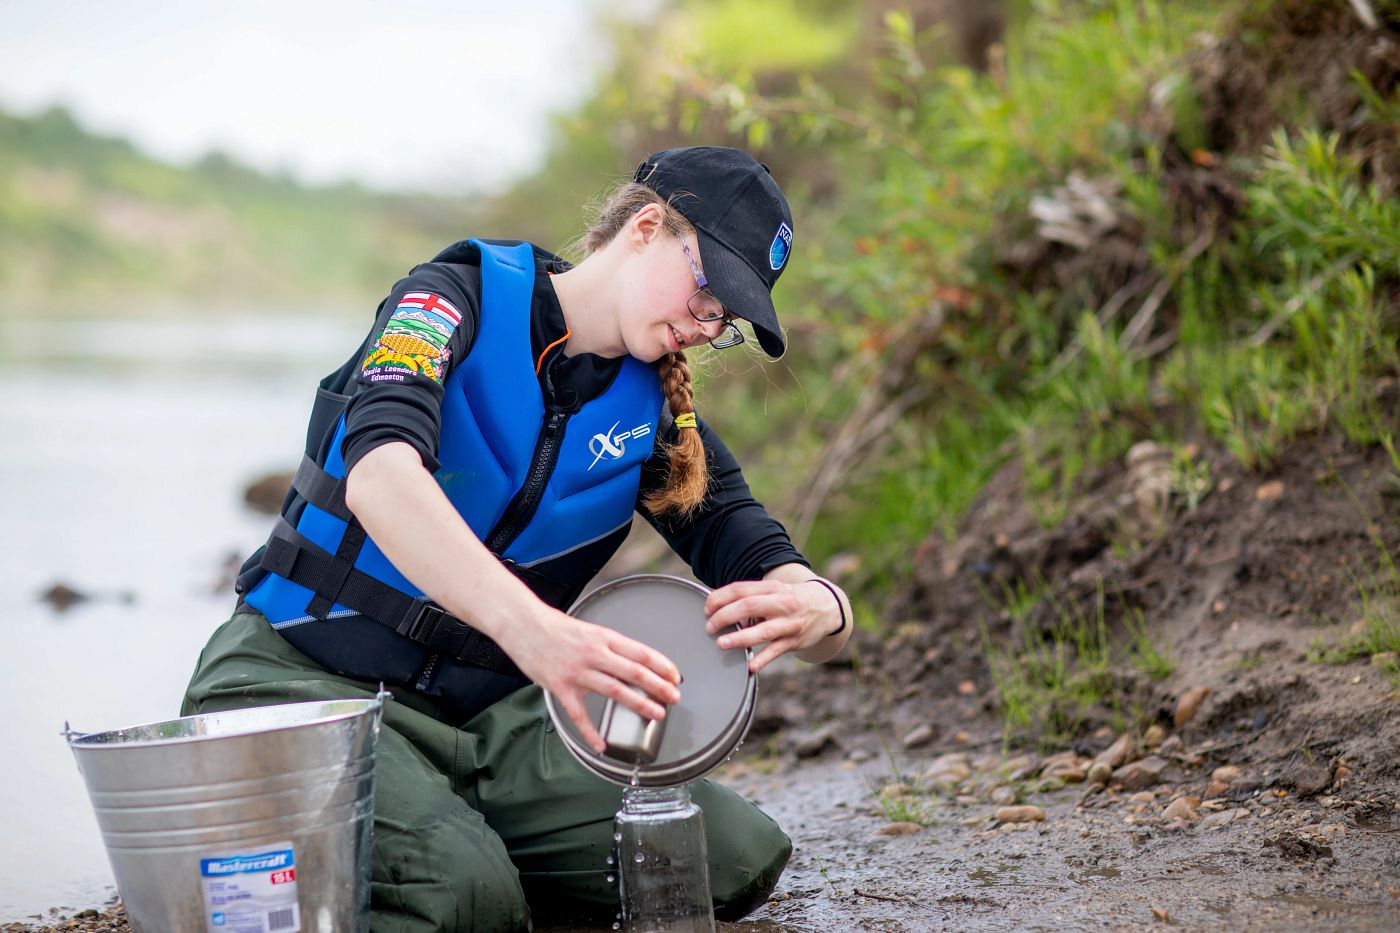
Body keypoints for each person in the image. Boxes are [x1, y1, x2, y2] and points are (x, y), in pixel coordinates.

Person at [183, 145, 854, 932]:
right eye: (709, 291)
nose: (708, 327)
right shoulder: (447, 301)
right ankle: (407, 863)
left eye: (726, 318)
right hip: (301, 681)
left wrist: (821, 605)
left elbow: (754, 544)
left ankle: (440, 846)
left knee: (731, 855)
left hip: (481, 726)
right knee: (467, 898)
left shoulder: (650, 413)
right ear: (645, 227)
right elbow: (380, 476)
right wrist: (537, 633)